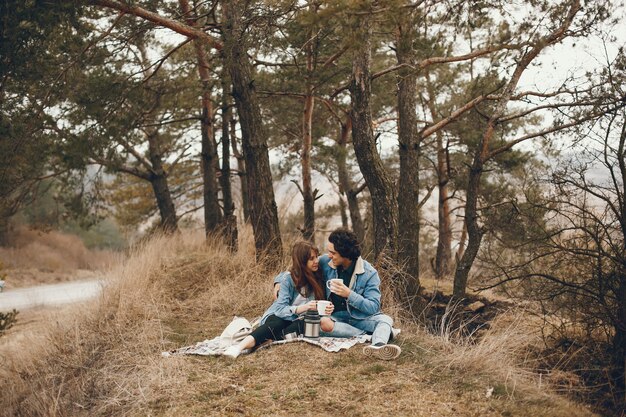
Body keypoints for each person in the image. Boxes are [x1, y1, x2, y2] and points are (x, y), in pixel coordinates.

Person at [274, 228, 401, 360]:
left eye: (333, 253)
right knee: (321, 323)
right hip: (335, 319)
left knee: (385, 319)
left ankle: (378, 345)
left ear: (345, 254)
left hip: (360, 318)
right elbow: (299, 266)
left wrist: (349, 294)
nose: (329, 255)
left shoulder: (369, 273)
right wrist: (278, 282)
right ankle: (370, 334)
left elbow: (374, 307)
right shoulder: (327, 262)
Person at [224, 241, 333, 358]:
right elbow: (280, 309)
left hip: (298, 321)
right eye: (311, 258)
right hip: (279, 316)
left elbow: (329, 258)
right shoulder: (288, 280)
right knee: (277, 324)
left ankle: (268, 339)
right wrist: (303, 307)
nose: (316, 261)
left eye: (316, 256)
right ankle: (238, 348)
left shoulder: (319, 277)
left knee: (306, 323)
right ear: (301, 261)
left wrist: (327, 309)